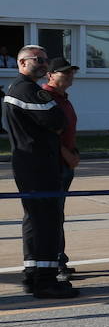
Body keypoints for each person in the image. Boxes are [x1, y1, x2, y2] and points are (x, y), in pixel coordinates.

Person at [4, 46, 77, 298]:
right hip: (39, 166)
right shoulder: (28, 90)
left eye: (46, 59)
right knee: (47, 221)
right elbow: (57, 120)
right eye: (39, 59)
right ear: (22, 62)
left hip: (31, 165)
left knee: (35, 220)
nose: (44, 63)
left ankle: (33, 275)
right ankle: (46, 281)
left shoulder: (19, 88)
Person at [42, 57, 80, 279]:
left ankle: (59, 258)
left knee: (58, 214)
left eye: (71, 71)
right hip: (54, 164)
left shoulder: (63, 98)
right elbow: (47, 134)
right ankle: (55, 262)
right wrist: (66, 154)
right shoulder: (46, 98)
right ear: (50, 75)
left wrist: (74, 152)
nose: (70, 75)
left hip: (65, 163)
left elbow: (67, 132)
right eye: (64, 72)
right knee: (52, 215)